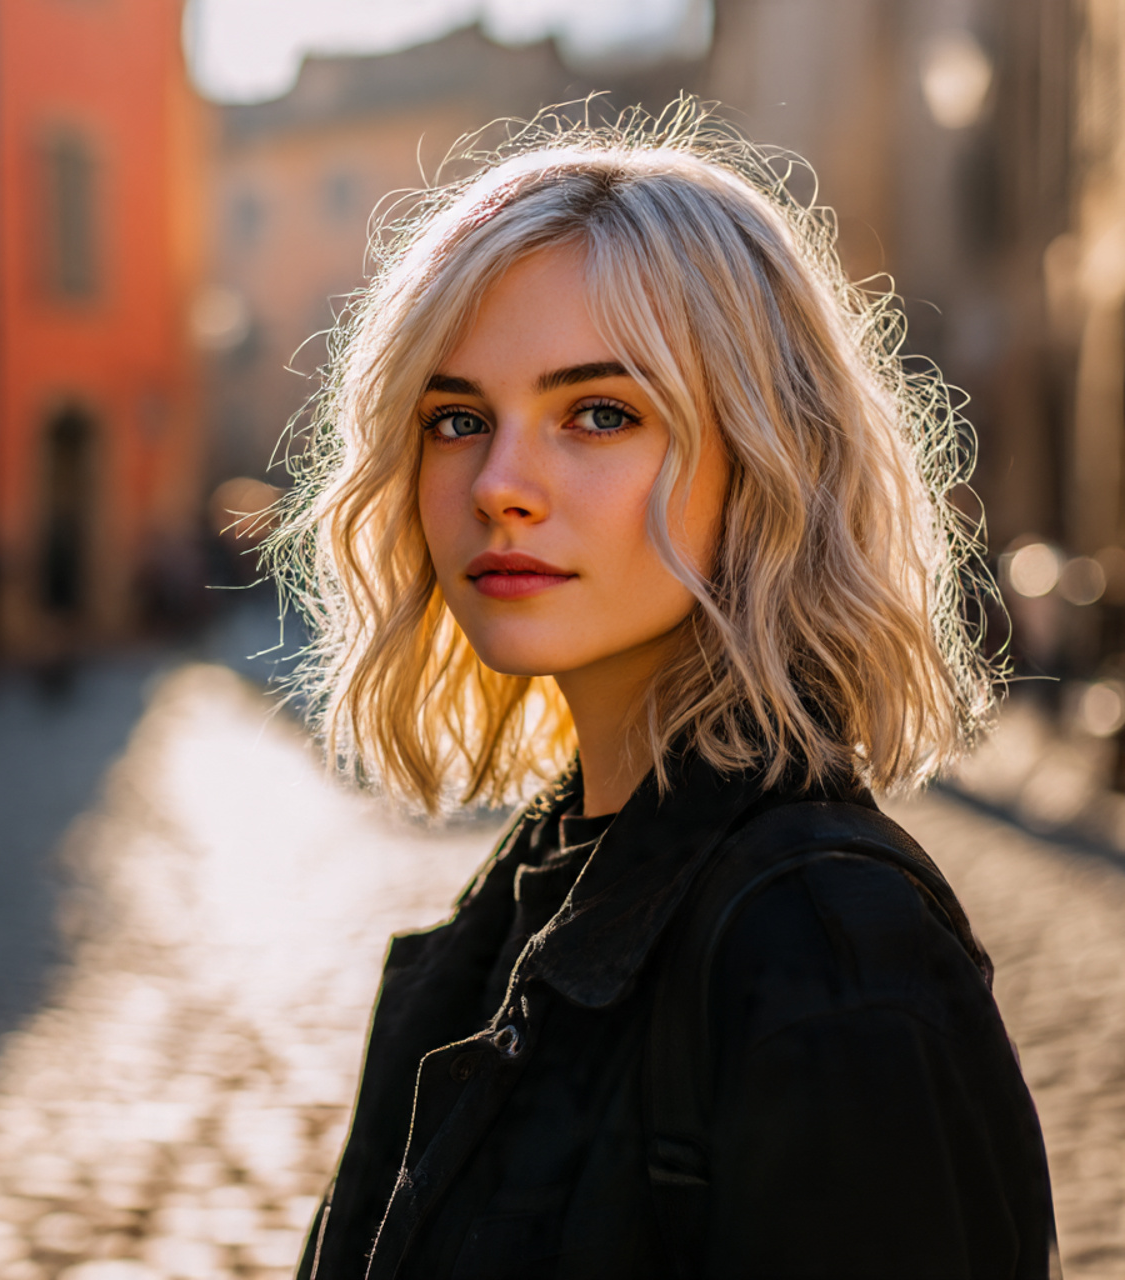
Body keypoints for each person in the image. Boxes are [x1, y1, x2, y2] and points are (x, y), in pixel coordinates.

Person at [270, 103, 1058, 1279]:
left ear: (761, 458)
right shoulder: (543, 882)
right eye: (455, 418)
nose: (498, 483)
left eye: (599, 412)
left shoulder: (831, 956)